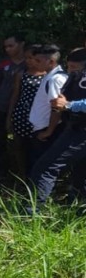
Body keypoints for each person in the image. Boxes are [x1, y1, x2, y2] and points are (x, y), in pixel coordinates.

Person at [28, 48, 86, 212]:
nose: (70, 71)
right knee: (81, 175)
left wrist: (68, 105)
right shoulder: (77, 75)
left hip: (80, 131)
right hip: (74, 126)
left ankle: (31, 216)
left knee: (44, 169)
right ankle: (77, 216)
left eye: (74, 67)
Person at [0, 33, 26, 176]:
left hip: (21, 108)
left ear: (21, 44)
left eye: (11, 45)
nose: (8, 49)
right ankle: (1, 172)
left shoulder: (31, 62)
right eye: (6, 47)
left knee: (20, 142)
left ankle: (23, 173)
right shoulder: (3, 63)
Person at [6, 44, 47, 178]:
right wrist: (10, 115)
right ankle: (24, 177)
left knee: (38, 149)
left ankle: (37, 178)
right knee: (20, 147)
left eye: (31, 58)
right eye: (26, 58)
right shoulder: (21, 74)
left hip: (40, 118)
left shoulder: (48, 76)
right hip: (22, 115)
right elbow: (16, 95)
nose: (28, 61)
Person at [28, 44, 68, 162]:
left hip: (48, 131)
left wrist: (48, 132)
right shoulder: (48, 76)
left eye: (38, 60)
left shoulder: (55, 79)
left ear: (51, 62)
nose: (35, 63)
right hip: (42, 128)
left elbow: (56, 107)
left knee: (43, 166)